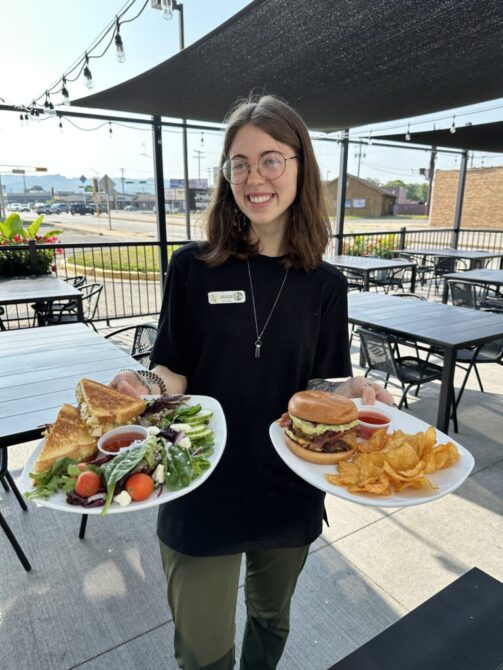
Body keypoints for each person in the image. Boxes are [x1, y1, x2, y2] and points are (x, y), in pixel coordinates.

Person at [111, 94, 394, 670]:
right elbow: (172, 369)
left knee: (271, 621)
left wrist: (356, 391)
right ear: (226, 176)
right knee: (203, 652)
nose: (253, 177)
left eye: (270, 159)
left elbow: (321, 384)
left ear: (299, 166)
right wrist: (142, 385)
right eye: (238, 163)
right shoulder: (193, 267)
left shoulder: (325, 284)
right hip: (198, 485)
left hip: (288, 487)